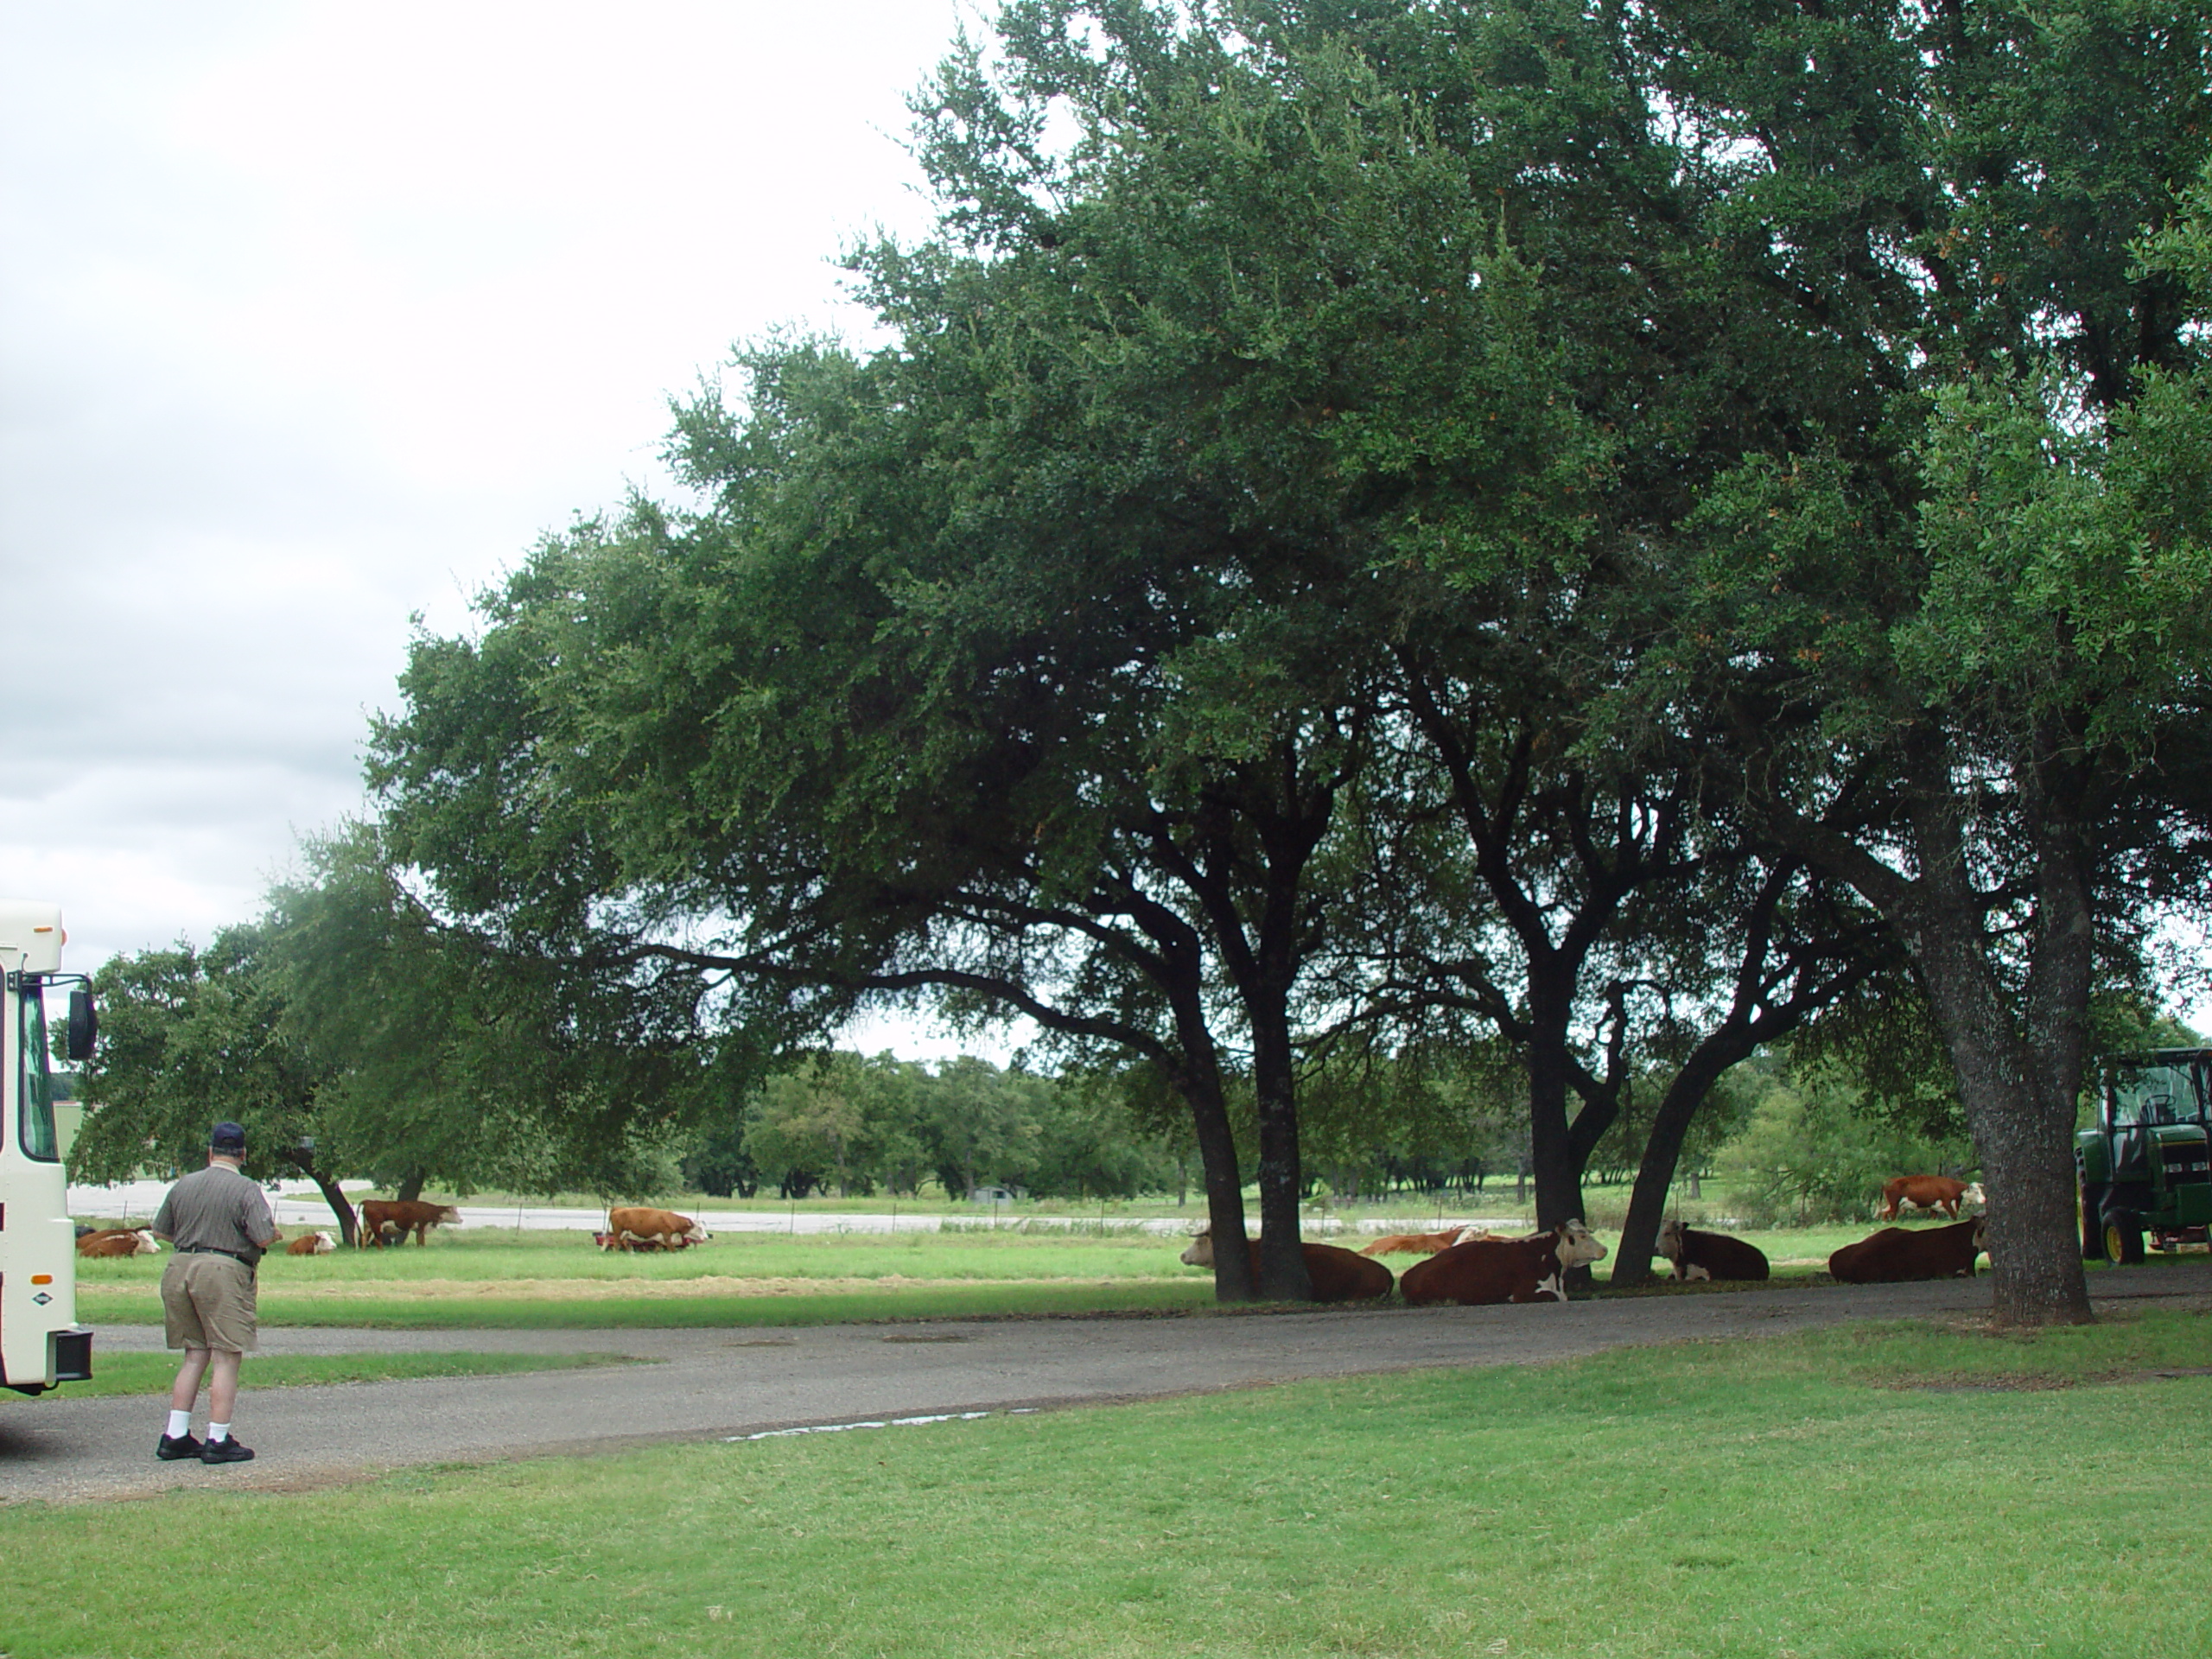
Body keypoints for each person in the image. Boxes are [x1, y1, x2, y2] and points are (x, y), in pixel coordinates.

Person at [149, 1120, 280, 1465]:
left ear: (210, 1152)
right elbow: (263, 1236)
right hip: (222, 1270)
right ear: (243, 1154)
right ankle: (217, 1439)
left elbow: (161, 1232)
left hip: (179, 1268)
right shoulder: (246, 1189)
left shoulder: (184, 1184)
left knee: (195, 1352)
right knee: (226, 1354)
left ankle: (175, 1435)